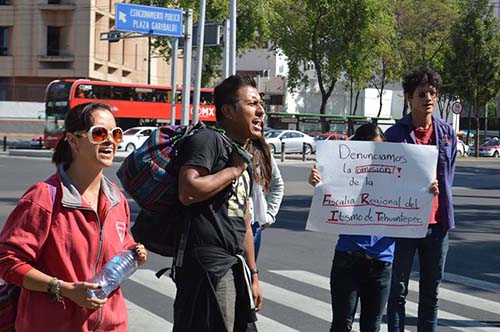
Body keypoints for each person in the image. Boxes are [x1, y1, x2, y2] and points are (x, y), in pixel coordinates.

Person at [0, 102, 147, 332]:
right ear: (73, 141)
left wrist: (132, 252)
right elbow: (8, 262)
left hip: (110, 325)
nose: (110, 141)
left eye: (116, 134)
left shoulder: (117, 199)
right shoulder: (44, 197)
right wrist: (64, 289)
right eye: (99, 133)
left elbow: (120, 243)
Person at [174, 75, 265, 332]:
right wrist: (234, 170)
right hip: (208, 266)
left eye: (260, 104)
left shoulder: (241, 153)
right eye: (251, 104)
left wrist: (254, 274)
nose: (260, 111)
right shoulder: (208, 140)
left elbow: (244, 218)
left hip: (235, 266)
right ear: (228, 110)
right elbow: (188, 190)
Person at [385, 66, 457, 332]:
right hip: (404, 224)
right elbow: (384, 178)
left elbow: (449, 175)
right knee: (398, 291)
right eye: (422, 93)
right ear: (408, 97)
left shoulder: (447, 134)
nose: (429, 99)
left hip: (437, 225)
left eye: (433, 93)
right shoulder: (394, 135)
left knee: (431, 292)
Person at [308, 123, 398, 332]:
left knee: (371, 326)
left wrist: (427, 191)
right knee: (341, 324)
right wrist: (318, 184)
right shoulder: (345, 170)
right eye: (367, 148)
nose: (373, 154)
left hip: (381, 263)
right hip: (347, 260)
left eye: (378, 149)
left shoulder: (395, 176)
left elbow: (414, 198)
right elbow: (329, 198)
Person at [246, 136, 284, 260]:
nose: (259, 119)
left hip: (253, 224)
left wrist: (270, 215)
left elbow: (277, 185)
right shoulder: (222, 144)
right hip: (224, 224)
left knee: (248, 272)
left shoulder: (261, 150)